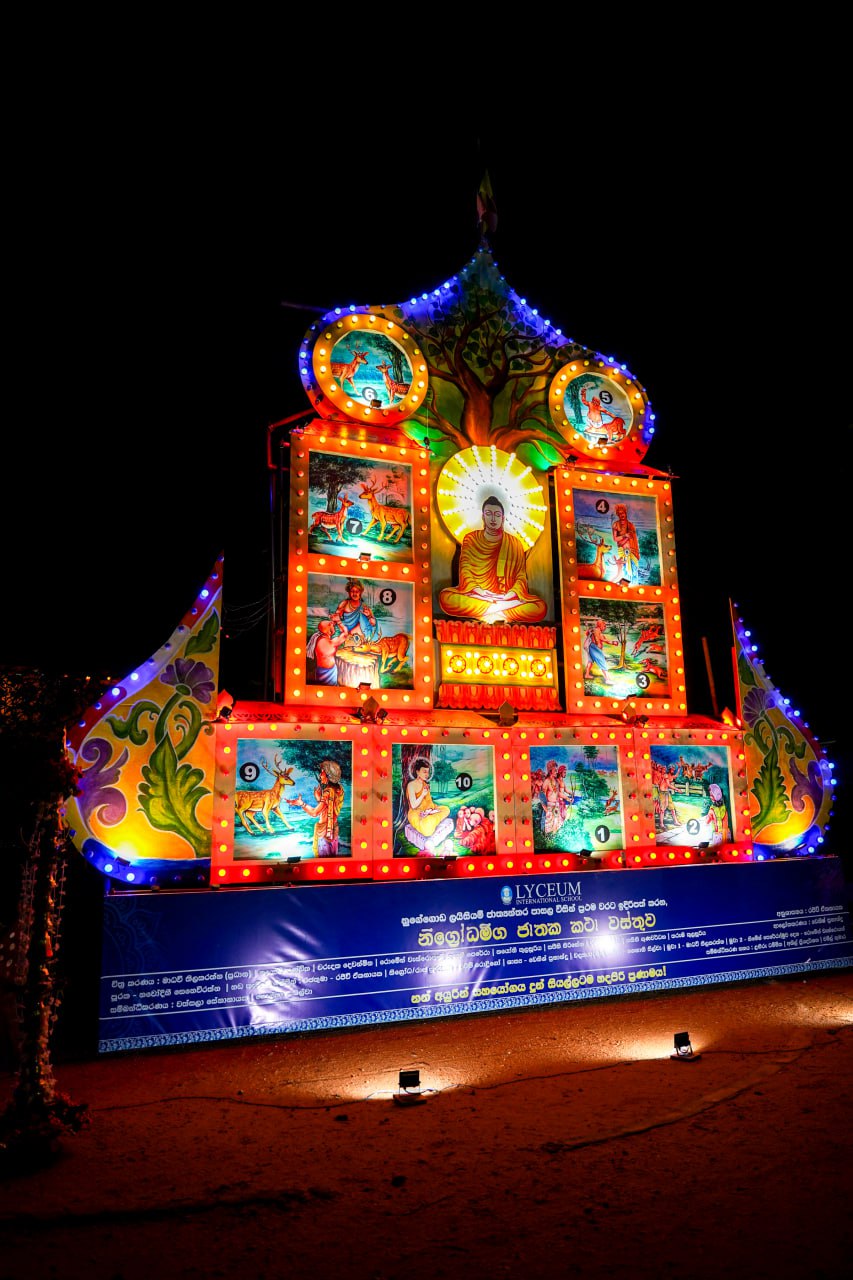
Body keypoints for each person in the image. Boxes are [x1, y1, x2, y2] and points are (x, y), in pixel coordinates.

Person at [438, 496, 547, 624]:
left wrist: (511, 594)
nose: (493, 519)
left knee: (540, 607)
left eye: (497, 515)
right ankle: (499, 609)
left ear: (503, 518)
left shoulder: (514, 543)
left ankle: (494, 608)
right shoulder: (471, 539)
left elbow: (521, 576)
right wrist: (479, 591)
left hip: (507, 598)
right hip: (478, 595)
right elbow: (465, 570)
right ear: (483, 517)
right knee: (447, 598)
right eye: (489, 514)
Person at [286, 759, 345, 857]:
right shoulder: (339, 790)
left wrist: (301, 804)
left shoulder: (327, 792)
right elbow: (328, 808)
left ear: (328, 775)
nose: (320, 776)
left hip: (325, 832)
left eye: (322, 773)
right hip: (333, 830)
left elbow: (314, 813)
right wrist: (319, 798)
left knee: (323, 860)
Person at [404, 757, 454, 854]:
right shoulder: (411, 785)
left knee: (446, 809)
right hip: (416, 813)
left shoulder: (425, 784)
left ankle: (432, 819)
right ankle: (431, 820)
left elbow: (429, 803)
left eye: (428, 772)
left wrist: (431, 811)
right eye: (424, 772)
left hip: (428, 811)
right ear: (417, 772)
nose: (427, 775)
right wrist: (422, 794)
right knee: (427, 829)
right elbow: (414, 805)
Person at [306, 619, 350, 684]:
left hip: (320, 670)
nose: (334, 627)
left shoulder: (318, 639)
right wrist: (339, 622)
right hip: (329, 671)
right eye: (332, 625)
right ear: (329, 628)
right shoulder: (331, 643)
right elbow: (345, 633)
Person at [610, 504, 640, 585]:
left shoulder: (630, 525)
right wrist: (625, 536)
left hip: (632, 551)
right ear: (618, 515)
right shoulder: (615, 524)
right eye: (619, 514)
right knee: (624, 570)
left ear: (625, 513)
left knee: (634, 570)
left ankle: (634, 586)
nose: (621, 515)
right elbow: (615, 539)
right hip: (622, 551)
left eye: (622, 513)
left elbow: (633, 539)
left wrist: (628, 537)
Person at [583, 618, 614, 684]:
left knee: (590, 661)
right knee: (602, 662)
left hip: (590, 647)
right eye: (604, 626)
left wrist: (612, 642)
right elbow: (597, 638)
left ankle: (587, 674)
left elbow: (603, 639)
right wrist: (598, 644)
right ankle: (607, 679)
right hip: (595, 648)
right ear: (600, 625)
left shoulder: (595, 631)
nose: (605, 627)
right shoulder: (597, 630)